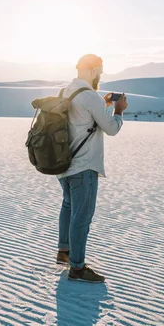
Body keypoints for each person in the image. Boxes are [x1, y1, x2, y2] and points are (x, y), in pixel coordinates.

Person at [55, 54, 127, 283]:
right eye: (101, 71)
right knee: (81, 216)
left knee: (68, 206)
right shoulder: (90, 96)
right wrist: (119, 111)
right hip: (84, 167)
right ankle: (77, 267)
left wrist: (103, 105)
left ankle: (64, 252)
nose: (101, 76)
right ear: (94, 71)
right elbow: (111, 129)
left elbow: (84, 121)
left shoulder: (66, 91)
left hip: (64, 165)